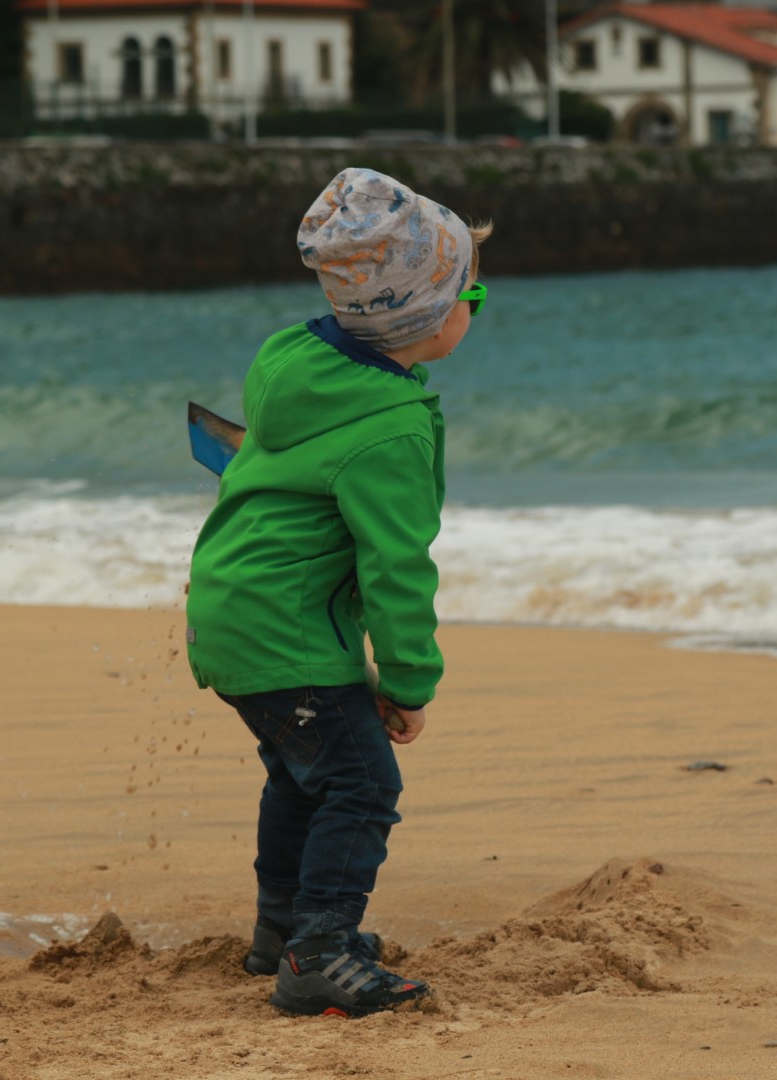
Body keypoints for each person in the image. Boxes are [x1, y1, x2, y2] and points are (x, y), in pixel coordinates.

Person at [185, 167, 490, 1017]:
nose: (478, 307)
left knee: (303, 776)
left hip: (235, 616)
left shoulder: (297, 363)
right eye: (476, 291)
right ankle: (318, 950)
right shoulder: (388, 429)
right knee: (363, 785)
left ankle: (282, 934)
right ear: (428, 310)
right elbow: (398, 567)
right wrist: (406, 684)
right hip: (285, 635)